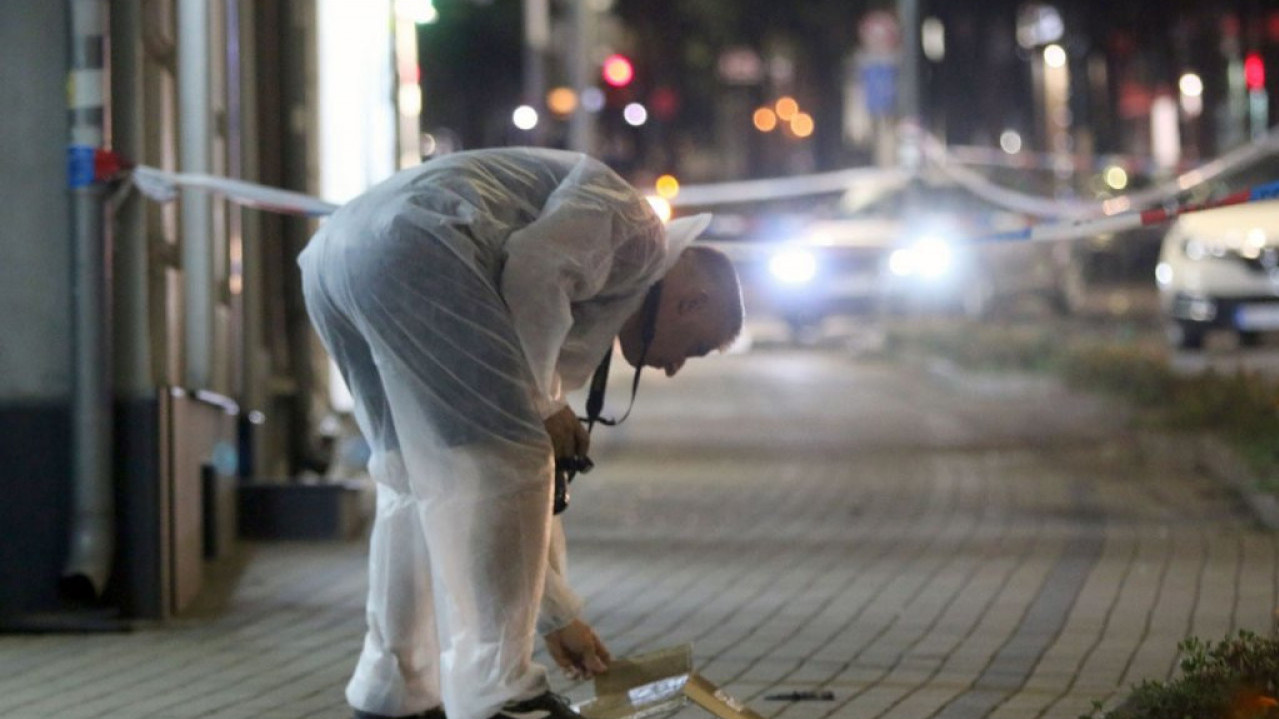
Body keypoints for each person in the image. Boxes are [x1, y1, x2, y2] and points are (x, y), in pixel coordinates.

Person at [297, 147, 745, 719]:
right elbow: (535, 265)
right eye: (697, 347)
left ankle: (393, 690)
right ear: (693, 300)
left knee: (411, 477)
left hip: (339, 254)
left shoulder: (603, 281)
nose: (678, 367)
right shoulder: (636, 234)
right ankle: (501, 694)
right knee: (508, 463)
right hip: (417, 247)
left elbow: (522, 503)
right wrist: (542, 400)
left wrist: (559, 615)